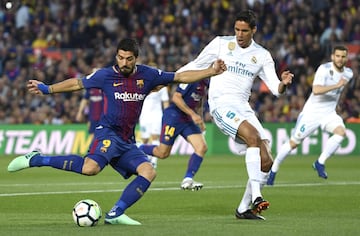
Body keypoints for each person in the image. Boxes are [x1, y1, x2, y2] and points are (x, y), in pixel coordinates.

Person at [7, 38, 227, 225]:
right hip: (108, 132)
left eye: (128, 58)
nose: (123, 62)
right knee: (91, 168)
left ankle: (116, 213)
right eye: (120, 57)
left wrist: (211, 71)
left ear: (136, 58)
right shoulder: (105, 76)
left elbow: (179, 77)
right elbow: (77, 83)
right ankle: (37, 159)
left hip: (127, 140)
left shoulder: (148, 75)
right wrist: (48, 89)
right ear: (116, 56)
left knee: (149, 172)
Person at [176, 10, 294, 220]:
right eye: (237, 29)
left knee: (266, 160)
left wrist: (283, 84)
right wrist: (169, 78)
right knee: (252, 138)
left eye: (244, 31)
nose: (239, 34)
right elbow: (197, 64)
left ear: (254, 30)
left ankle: (243, 208)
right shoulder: (220, 43)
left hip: (243, 107)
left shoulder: (262, 55)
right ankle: (258, 196)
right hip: (221, 105)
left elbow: (276, 89)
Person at [267, 45, 353, 185]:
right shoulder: (324, 69)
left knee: (341, 133)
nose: (340, 59)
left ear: (346, 58)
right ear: (332, 57)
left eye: (343, 56)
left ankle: (320, 162)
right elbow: (317, 90)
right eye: (337, 56)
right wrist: (336, 86)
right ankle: (273, 170)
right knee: (293, 143)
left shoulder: (349, 73)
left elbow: (340, 91)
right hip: (311, 113)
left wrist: (338, 100)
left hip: (329, 113)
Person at [139, 79, 209, 191]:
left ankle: (188, 179)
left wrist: (199, 118)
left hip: (187, 119)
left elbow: (199, 103)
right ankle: (138, 148)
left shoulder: (205, 84)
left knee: (201, 147)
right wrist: (193, 114)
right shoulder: (192, 78)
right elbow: (176, 98)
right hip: (173, 117)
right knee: (162, 153)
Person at [138, 86, 169, 168]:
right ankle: (146, 159)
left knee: (155, 137)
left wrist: (167, 116)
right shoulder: (142, 84)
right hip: (144, 115)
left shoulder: (162, 87)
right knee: (145, 139)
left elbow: (166, 102)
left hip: (156, 115)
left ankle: (154, 161)